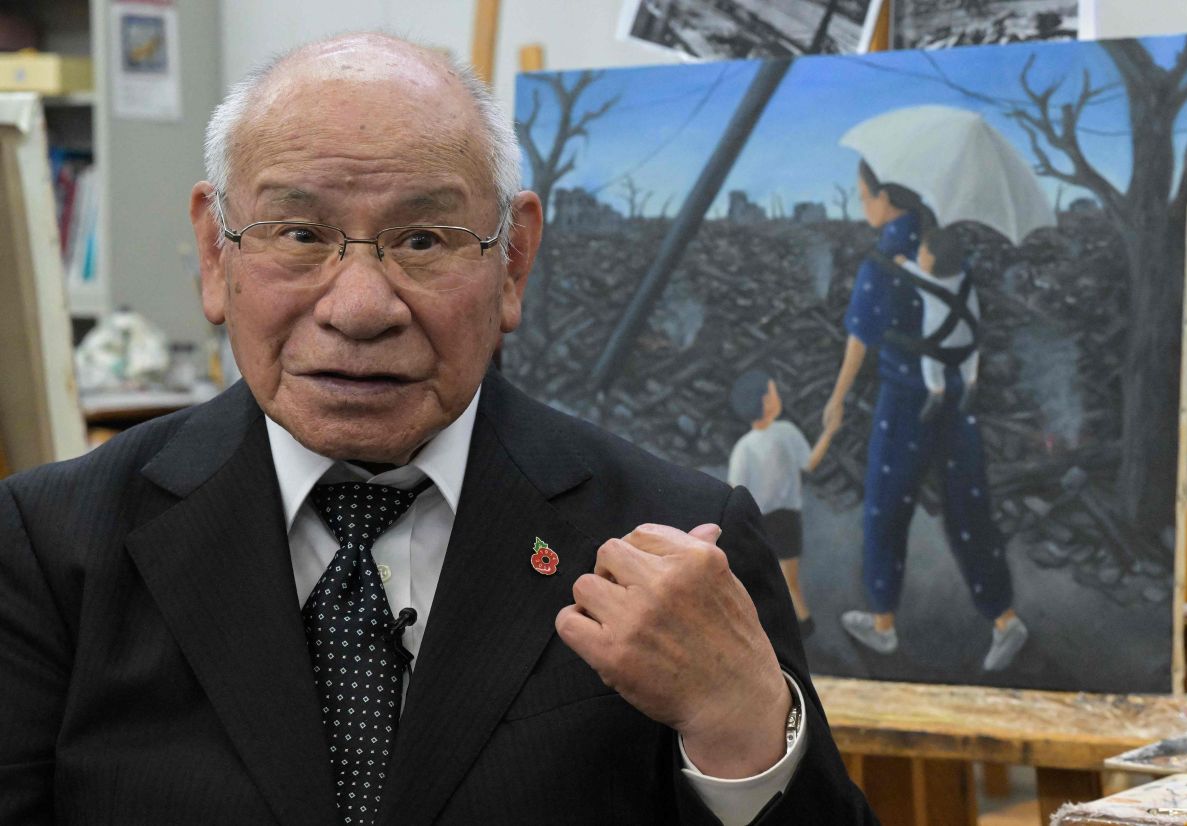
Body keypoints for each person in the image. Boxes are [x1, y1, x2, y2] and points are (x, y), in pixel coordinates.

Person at [0, 34, 874, 825]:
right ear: (215, 251)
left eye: (424, 240)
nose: (359, 307)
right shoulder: (56, 547)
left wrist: (745, 733)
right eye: (299, 233)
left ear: (513, 261)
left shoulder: (675, 541)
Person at [821, 161, 1027, 672]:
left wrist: (838, 398)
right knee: (969, 507)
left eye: (864, 194)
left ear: (887, 198)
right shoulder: (949, 248)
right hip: (957, 398)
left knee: (887, 509)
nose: (861, 204)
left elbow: (859, 341)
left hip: (905, 402)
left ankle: (884, 625)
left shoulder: (881, 262)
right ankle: (1003, 618)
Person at [726, 370, 830, 639]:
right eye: (773, 391)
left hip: (760, 520)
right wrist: (829, 432)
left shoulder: (743, 447)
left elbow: (736, 491)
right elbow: (810, 462)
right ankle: (804, 626)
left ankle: (785, 630)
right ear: (765, 401)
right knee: (789, 579)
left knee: (766, 578)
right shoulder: (786, 432)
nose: (777, 396)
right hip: (786, 518)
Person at [892, 227, 980, 421]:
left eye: (921, 253)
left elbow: (910, 269)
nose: (917, 255)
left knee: (930, 365)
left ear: (931, 260)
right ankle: (971, 385)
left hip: (940, 349)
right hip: (969, 345)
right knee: (970, 362)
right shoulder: (966, 280)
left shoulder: (927, 282)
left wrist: (903, 261)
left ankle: (936, 393)